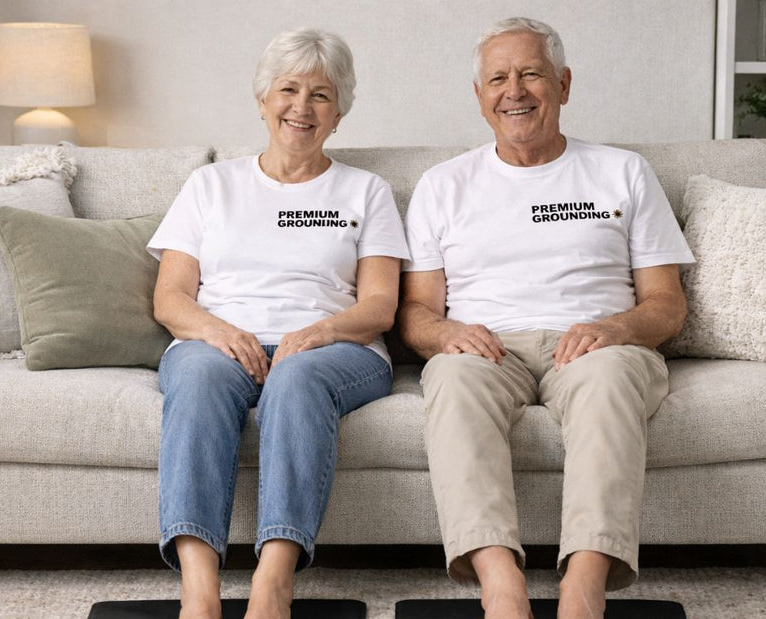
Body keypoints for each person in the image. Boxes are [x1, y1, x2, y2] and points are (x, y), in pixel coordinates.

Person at [398, 17, 695, 619]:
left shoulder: (623, 171)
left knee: (610, 380)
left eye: (531, 73)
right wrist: (445, 333)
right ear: (480, 97)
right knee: (451, 381)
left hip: (598, 345)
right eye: (498, 78)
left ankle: (583, 585)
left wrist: (616, 328)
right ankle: (499, 582)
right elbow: (416, 311)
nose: (516, 90)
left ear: (563, 83)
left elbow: (667, 304)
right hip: (486, 348)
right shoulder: (443, 184)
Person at [148, 28, 409, 619]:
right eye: (288, 90)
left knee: (294, 378)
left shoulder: (365, 191)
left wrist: (319, 332)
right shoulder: (211, 185)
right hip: (218, 340)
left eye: (320, 94)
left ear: (339, 112)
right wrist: (218, 332)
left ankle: (274, 582)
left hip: (338, 348)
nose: (302, 107)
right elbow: (171, 297)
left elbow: (379, 307)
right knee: (200, 379)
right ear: (263, 100)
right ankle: (199, 588)